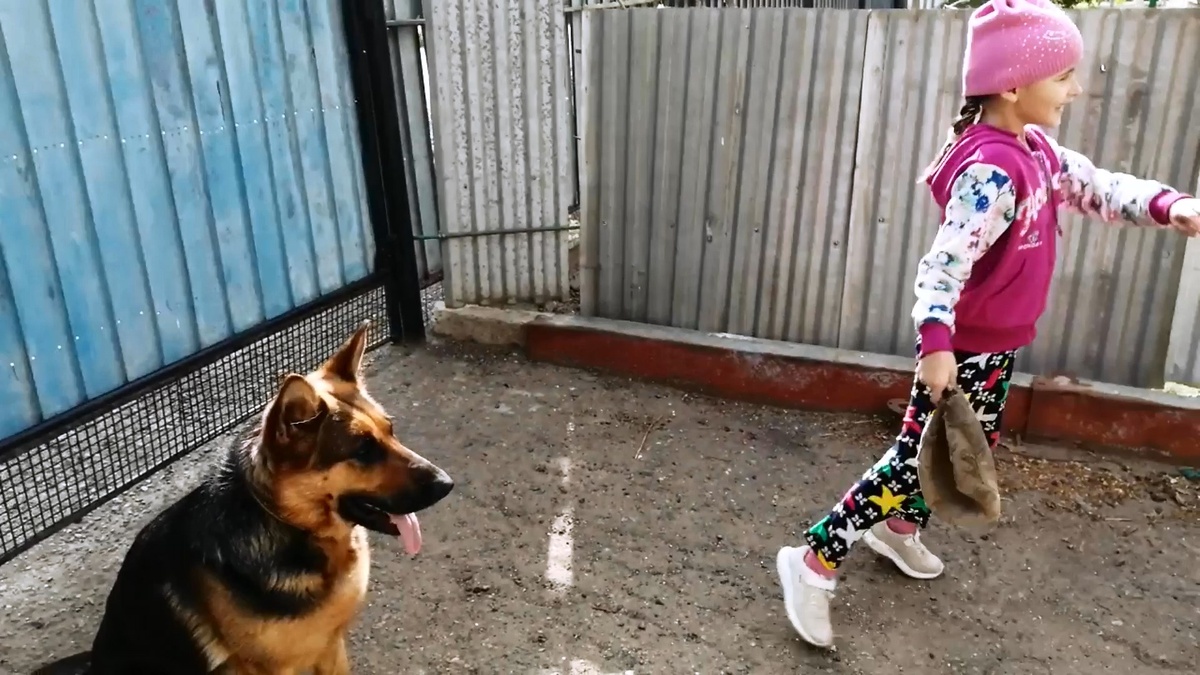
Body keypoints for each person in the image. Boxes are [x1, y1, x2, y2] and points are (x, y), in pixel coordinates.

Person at [773, 0, 1200, 650]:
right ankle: (813, 561)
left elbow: (1098, 187)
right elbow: (942, 267)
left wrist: (1170, 205)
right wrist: (936, 346)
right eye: (1063, 76)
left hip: (996, 347)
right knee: (913, 461)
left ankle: (898, 529)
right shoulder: (990, 172)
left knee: (969, 444)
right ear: (1012, 86)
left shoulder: (1037, 151)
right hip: (961, 351)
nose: (1075, 90)